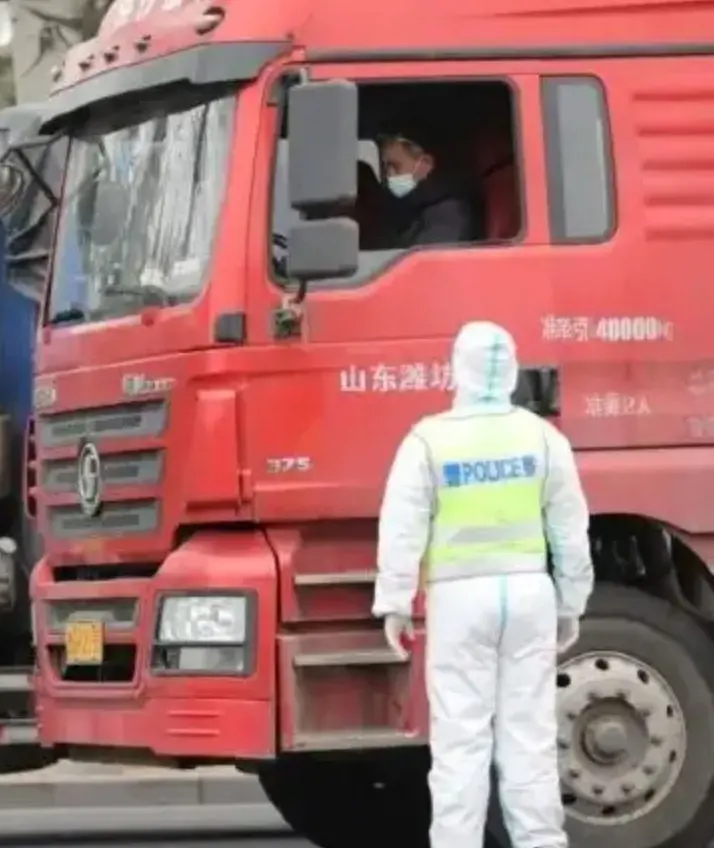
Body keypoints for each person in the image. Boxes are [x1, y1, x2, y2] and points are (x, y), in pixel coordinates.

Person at [371, 321, 594, 848]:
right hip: (529, 595)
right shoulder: (543, 437)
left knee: (460, 743)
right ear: (513, 370)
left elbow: (403, 525)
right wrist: (572, 602)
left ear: (457, 370)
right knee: (530, 740)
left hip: (458, 599)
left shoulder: (429, 439)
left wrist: (395, 602)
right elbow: (570, 527)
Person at [378, 130, 480, 246]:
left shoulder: (449, 214)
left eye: (395, 166)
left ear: (425, 164)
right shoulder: (411, 207)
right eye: (386, 168)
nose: (388, 175)